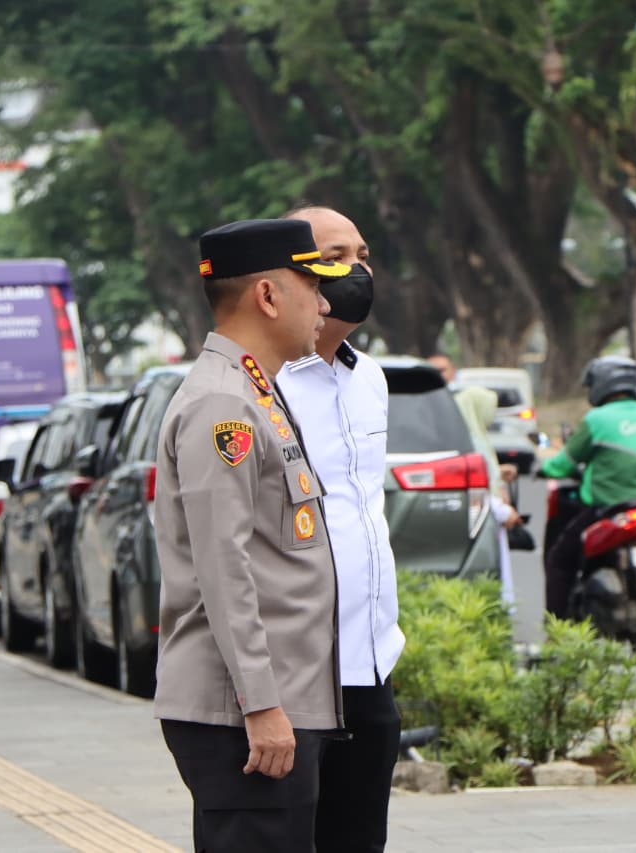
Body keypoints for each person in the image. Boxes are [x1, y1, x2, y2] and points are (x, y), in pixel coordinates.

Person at [152, 218, 351, 853]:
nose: (324, 303)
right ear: (267, 296)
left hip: (272, 705)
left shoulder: (253, 391)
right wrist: (261, 705)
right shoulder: (224, 405)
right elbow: (224, 565)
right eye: (311, 284)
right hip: (247, 714)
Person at [276, 206, 404, 853]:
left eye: (362, 252)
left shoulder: (370, 380)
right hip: (294, 679)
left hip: (370, 665)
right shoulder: (262, 387)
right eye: (336, 253)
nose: (357, 269)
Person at [538, 355, 636, 619]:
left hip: (608, 507)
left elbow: (565, 462)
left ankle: (558, 631)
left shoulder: (597, 419)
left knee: (559, 560)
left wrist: (543, 468)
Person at [454, 384, 523, 608]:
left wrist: (499, 472)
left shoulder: (472, 437)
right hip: (484, 518)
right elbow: (476, 487)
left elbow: (484, 475)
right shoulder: (472, 442)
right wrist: (504, 511)